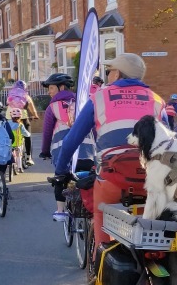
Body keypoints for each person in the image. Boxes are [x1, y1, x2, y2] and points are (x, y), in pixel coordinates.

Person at [54, 53, 166, 248]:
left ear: (118, 74)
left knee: (101, 213)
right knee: (153, 228)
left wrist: (61, 170)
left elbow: (71, 140)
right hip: (150, 179)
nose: (108, 75)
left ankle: (101, 260)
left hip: (112, 179)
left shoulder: (99, 98)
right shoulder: (157, 100)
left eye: (110, 71)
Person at [40, 73, 95, 221]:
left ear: (61, 87)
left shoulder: (53, 107)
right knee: (91, 179)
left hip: (64, 154)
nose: (49, 92)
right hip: (88, 153)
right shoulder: (84, 103)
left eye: (51, 88)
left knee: (60, 178)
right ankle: (92, 211)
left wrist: (45, 151)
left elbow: (46, 133)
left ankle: (61, 211)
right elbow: (95, 128)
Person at [6, 80, 39, 166]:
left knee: (7, 135)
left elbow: (7, 104)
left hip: (9, 117)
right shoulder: (26, 96)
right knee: (27, 135)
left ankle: (5, 154)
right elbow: (32, 109)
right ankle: (28, 157)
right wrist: (35, 115)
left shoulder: (11, 94)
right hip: (22, 118)